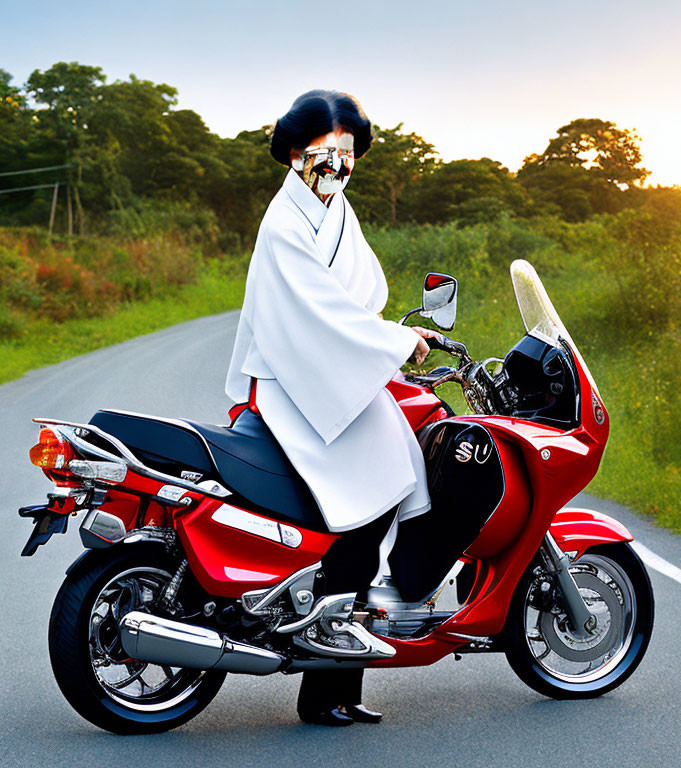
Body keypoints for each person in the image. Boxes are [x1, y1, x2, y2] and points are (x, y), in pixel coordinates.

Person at [224, 90, 437, 726]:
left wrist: (378, 336)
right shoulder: (284, 222)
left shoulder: (336, 208)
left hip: (329, 375)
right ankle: (325, 683)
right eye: (325, 152)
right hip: (294, 385)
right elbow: (319, 309)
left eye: (348, 152)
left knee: (388, 491)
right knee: (363, 513)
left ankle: (342, 677)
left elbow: (360, 292)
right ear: (295, 152)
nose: (338, 163)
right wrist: (399, 341)